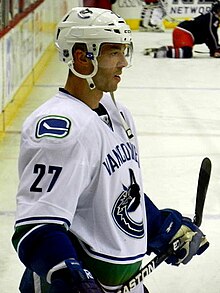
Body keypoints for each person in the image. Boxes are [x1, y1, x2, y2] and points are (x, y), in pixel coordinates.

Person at [12, 7, 209, 293]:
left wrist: (164, 229)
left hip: (122, 284)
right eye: (114, 53)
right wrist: (70, 275)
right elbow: (36, 226)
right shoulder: (60, 128)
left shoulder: (118, 114)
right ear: (82, 58)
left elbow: (121, 194)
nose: (124, 63)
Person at [151, 0, 220, 58]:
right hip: (184, 32)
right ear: (217, 9)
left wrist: (214, 50)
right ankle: (162, 54)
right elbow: (212, 34)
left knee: (182, 50)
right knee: (187, 53)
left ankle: (164, 49)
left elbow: (208, 37)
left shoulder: (211, 16)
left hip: (182, 32)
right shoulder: (212, 17)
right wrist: (216, 48)